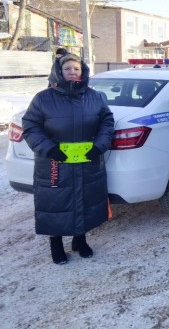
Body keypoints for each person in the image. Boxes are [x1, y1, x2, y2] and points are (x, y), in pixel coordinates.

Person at [22, 53, 115, 264]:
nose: (72, 72)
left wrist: (99, 146)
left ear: (82, 72)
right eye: (68, 69)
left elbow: (107, 122)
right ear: (59, 72)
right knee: (56, 203)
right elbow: (30, 127)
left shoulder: (96, 97)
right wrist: (49, 148)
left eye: (76, 69)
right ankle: (56, 244)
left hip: (86, 160)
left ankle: (80, 240)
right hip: (55, 162)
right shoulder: (43, 98)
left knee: (85, 198)